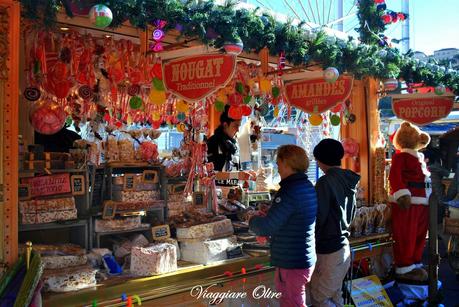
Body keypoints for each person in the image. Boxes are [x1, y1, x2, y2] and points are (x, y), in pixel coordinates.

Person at [249, 145, 317, 307]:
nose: (277, 168)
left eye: (278, 164)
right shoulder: (306, 186)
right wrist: (273, 212)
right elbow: (294, 217)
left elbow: (267, 227)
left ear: (287, 163)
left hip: (292, 260)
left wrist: (250, 220)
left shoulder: (290, 190)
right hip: (302, 256)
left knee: (292, 303)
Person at [310, 139, 360, 307]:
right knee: (335, 296)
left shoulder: (325, 182)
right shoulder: (348, 179)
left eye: (317, 160)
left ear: (321, 160)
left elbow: (318, 217)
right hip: (343, 246)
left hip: (328, 250)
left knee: (319, 298)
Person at [207, 105, 242, 172]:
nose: (238, 130)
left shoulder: (234, 145)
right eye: (235, 126)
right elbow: (209, 174)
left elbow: (237, 170)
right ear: (225, 125)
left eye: (239, 126)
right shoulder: (212, 143)